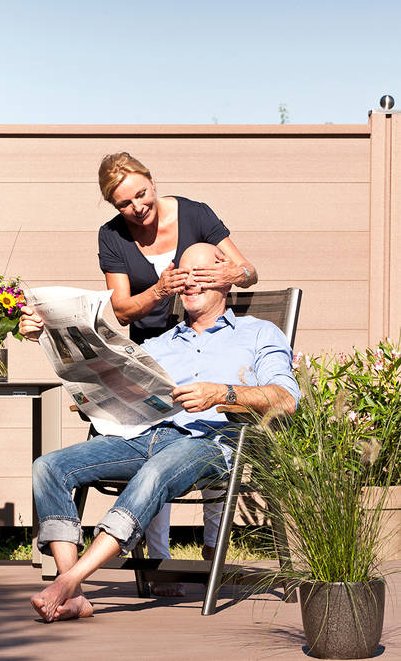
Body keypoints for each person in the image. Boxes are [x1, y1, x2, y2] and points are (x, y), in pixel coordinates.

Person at [19, 243, 299, 622]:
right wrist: (47, 336)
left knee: (153, 473)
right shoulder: (159, 343)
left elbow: (285, 398)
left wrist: (222, 393)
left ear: (226, 279)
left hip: (212, 442)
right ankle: (77, 596)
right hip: (144, 434)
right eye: (182, 276)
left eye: (199, 274)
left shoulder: (258, 334)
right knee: (49, 466)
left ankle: (66, 582)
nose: (189, 284)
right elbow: (104, 374)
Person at [97, 152, 259, 590]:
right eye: (125, 204)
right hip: (156, 354)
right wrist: (158, 290)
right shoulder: (112, 237)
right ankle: (160, 559)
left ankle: (213, 548)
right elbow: (123, 310)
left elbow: (250, 272)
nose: (138, 208)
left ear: (152, 182)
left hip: (211, 339)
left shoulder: (196, 214)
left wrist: (234, 273)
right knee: (161, 437)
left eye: (142, 194)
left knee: (214, 427)